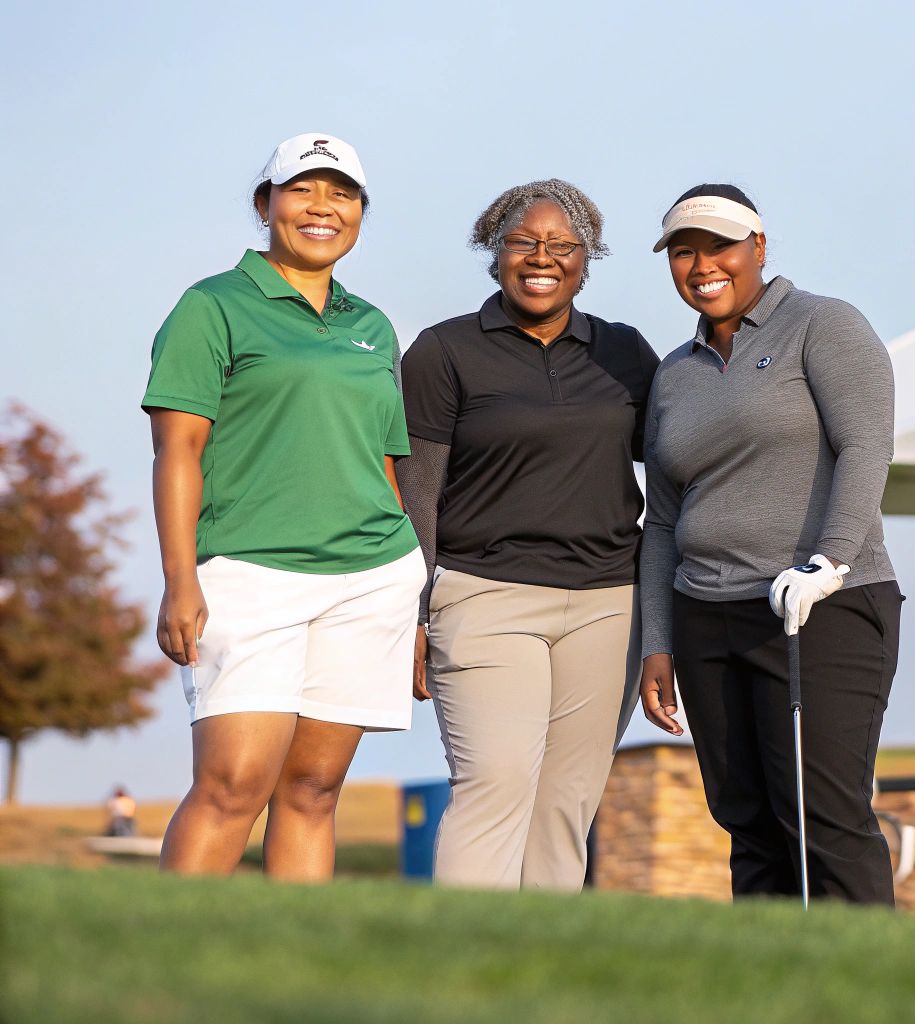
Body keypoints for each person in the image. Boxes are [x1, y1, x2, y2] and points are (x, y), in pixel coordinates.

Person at [144, 133, 422, 880]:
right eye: (302, 189)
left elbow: (385, 464)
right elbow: (178, 451)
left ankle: (288, 980)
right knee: (234, 783)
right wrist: (180, 579)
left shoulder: (373, 325)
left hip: (372, 577)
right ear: (266, 204)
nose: (322, 207)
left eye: (342, 193)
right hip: (248, 572)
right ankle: (168, 963)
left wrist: (416, 597)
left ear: (361, 212)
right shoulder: (212, 306)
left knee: (313, 788)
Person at [638, 184, 903, 904]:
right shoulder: (673, 373)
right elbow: (661, 520)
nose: (701, 266)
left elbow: (865, 446)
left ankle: (874, 990)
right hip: (706, 615)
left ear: (758, 246)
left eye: (718, 247)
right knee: (746, 821)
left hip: (823, 607)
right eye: (683, 253)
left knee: (822, 815)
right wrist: (655, 641)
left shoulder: (822, 325)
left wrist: (830, 561)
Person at [397, 180, 659, 890]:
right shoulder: (443, 352)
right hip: (483, 597)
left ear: (587, 258)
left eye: (562, 246)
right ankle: (465, 972)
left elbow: (674, 475)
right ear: (496, 250)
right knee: (497, 780)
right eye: (524, 242)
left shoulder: (625, 353)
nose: (542, 257)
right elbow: (415, 492)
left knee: (567, 802)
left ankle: (542, 972)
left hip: (610, 605)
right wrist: (412, 613)